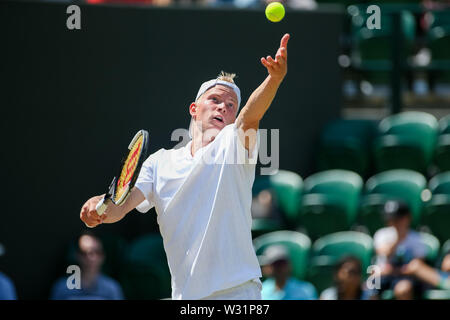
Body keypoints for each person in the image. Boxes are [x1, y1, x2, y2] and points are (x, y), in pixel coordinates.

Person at [80, 33, 290, 300]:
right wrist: (99, 209)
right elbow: (120, 207)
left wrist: (274, 79)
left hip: (238, 293)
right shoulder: (159, 163)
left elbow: (250, 117)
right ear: (194, 108)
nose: (223, 107)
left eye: (230, 105)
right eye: (215, 100)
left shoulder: (234, 143)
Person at [373, 200, 428, 300]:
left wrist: (395, 271)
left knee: (403, 289)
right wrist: (398, 239)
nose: (393, 223)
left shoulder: (416, 238)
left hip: (405, 276)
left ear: (407, 218)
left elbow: (418, 265)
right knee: (370, 288)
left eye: (397, 219)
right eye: (390, 219)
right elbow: (384, 253)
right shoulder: (381, 234)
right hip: (382, 275)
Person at [50, 231, 124, 300]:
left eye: (97, 252)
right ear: (77, 255)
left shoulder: (112, 288)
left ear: (103, 256)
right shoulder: (62, 288)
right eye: (85, 253)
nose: (91, 257)